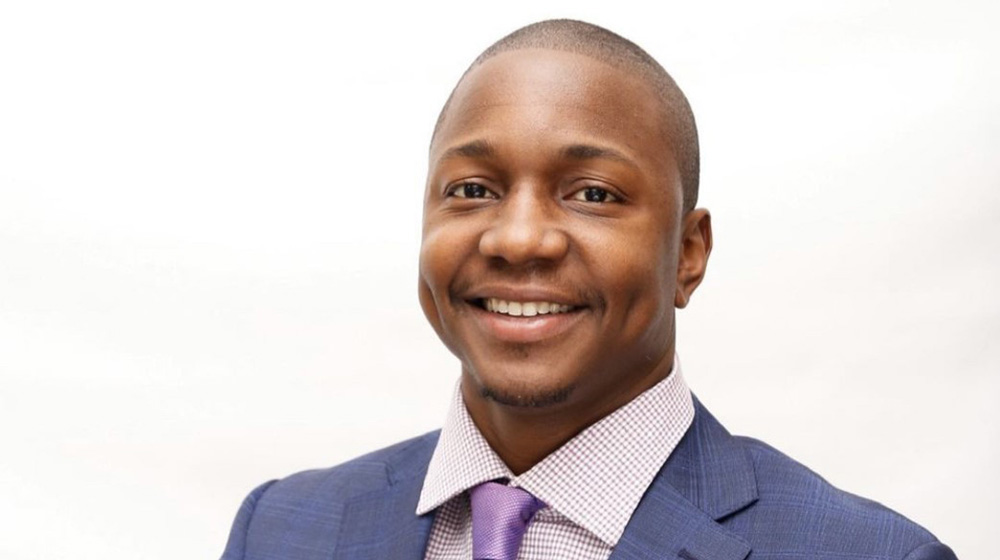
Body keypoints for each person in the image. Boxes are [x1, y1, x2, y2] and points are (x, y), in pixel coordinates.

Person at [220, 19, 956, 560]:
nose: (518, 238)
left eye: (594, 194)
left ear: (687, 257)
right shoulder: (282, 529)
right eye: (473, 188)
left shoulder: (866, 554)